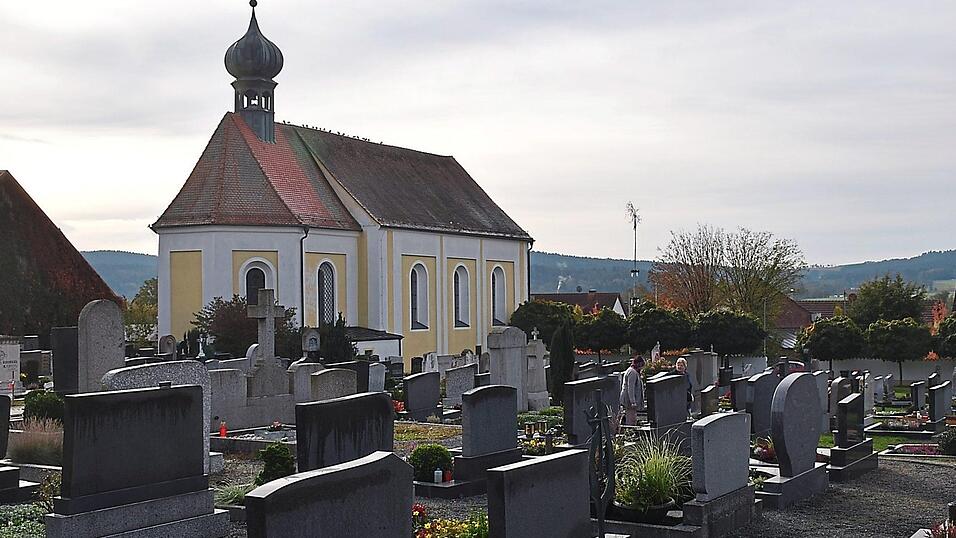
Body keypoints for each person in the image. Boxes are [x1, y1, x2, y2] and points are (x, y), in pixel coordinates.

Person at [619, 356, 646, 426]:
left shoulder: (633, 371)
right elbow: (630, 388)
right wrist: (633, 402)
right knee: (631, 419)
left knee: (632, 417)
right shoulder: (632, 372)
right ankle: (630, 432)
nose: (642, 368)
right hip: (629, 400)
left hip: (629, 400)